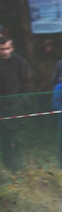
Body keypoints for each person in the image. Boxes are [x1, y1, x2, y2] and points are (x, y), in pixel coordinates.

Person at [0, 35, 31, 171]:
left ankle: (19, 171)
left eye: (7, 48)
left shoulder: (20, 62)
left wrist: (24, 102)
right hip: (1, 107)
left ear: (12, 47)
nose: (5, 52)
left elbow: (27, 83)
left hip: (16, 106)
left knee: (17, 140)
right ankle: (7, 170)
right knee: (5, 141)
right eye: (2, 49)